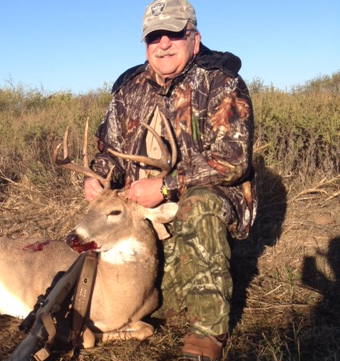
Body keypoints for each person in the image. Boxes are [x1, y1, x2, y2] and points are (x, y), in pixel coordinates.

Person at [83, 0, 257, 360]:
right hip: (139, 204)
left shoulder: (221, 82)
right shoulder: (129, 88)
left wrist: (165, 187)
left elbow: (232, 161)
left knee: (198, 206)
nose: (163, 43)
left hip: (205, 197)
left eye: (174, 34)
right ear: (145, 44)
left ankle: (208, 331)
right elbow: (108, 152)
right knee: (162, 302)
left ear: (194, 38)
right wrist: (97, 179)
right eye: (154, 37)